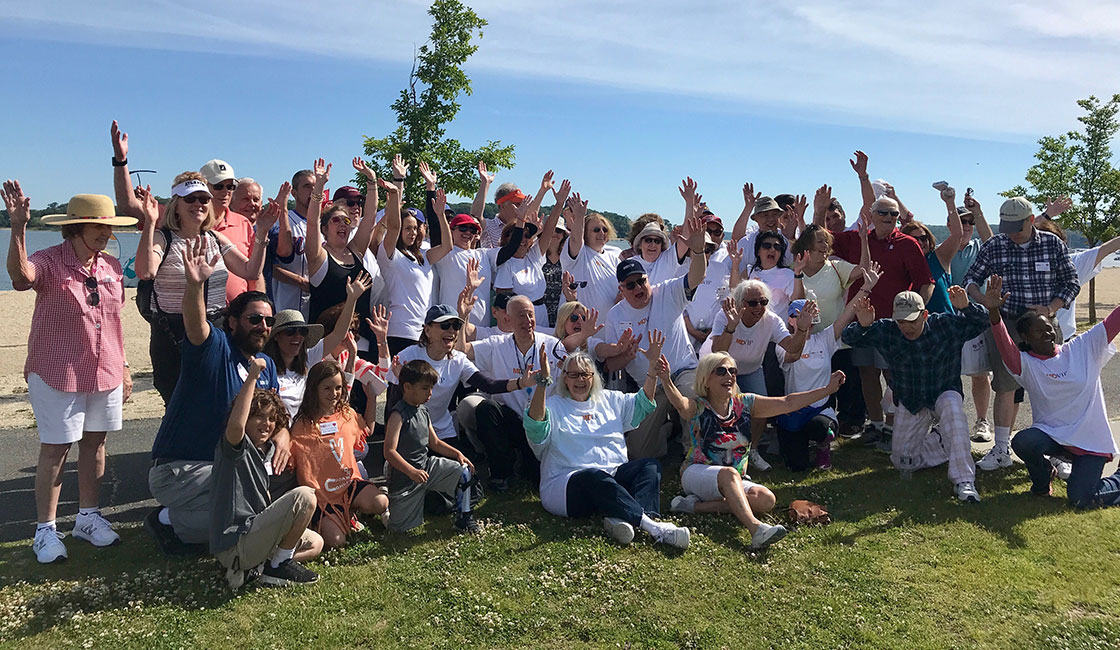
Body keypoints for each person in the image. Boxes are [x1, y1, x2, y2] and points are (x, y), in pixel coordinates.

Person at [4, 183, 135, 564]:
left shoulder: (109, 265)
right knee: (56, 449)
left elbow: (115, 322)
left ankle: (88, 518)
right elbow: (21, 276)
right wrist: (17, 228)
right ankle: (45, 530)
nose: (107, 233)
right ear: (75, 227)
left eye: (109, 227)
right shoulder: (49, 260)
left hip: (106, 369)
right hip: (56, 371)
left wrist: (125, 367)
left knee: (95, 444)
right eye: (99, 226)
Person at [146, 237, 282, 556]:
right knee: (250, 506)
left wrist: (285, 437)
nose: (263, 326)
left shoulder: (268, 365)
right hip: (179, 470)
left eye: (269, 321)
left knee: (264, 494)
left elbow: (275, 418)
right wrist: (194, 287)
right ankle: (174, 522)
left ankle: (171, 520)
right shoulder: (216, 348)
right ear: (233, 321)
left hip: (222, 469)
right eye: (254, 319)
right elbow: (196, 327)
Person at [659, 350, 845, 549]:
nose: (729, 376)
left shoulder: (745, 403)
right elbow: (680, 404)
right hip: (696, 472)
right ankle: (756, 529)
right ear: (706, 379)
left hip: (733, 479)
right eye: (721, 371)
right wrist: (665, 379)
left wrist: (827, 390)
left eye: (733, 371)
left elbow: (788, 402)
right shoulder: (699, 406)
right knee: (729, 474)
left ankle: (692, 506)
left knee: (766, 500)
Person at [523, 339, 691, 549]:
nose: (580, 379)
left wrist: (652, 369)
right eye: (573, 374)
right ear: (565, 379)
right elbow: (536, 427)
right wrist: (542, 381)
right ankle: (654, 528)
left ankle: (623, 517)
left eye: (585, 374)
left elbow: (642, 404)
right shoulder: (554, 406)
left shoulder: (610, 400)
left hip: (611, 477)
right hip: (567, 486)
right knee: (594, 475)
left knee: (649, 466)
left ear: (594, 377)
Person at [134, 175, 277, 403]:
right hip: (173, 333)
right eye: (190, 199)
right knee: (178, 407)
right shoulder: (164, 238)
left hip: (215, 328)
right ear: (176, 205)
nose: (198, 205)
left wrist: (261, 234)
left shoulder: (215, 238)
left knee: (217, 402)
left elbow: (250, 270)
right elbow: (146, 271)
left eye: (203, 199)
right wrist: (150, 223)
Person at [825, 151, 934, 450]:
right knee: (866, 375)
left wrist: (917, 311)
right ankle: (875, 426)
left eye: (893, 214)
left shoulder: (908, 244)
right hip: (861, 323)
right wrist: (820, 207)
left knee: (894, 376)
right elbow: (820, 238)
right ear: (871, 216)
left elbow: (926, 282)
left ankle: (895, 427)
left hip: (893, 323)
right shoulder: (856, 240)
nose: (888, 218)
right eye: (882, 213)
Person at [980, 275, 1120, 508]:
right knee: (1023, 441)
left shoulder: (1082, 348)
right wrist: (994, 313)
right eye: (1038, 332)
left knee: (1081, 499)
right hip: (1053, 437)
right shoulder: (1024, 364)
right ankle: (1043, 481)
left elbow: (1114, 321)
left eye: (1049, 329)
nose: (1047, 334)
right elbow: (1004, 343)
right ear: (1024, 337)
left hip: (1090, 441)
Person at [841, 287, 990, 502]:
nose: (906, 327)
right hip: (910, 399)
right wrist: (863, 326)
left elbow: (984, 321)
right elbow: (849, 338)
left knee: (953, 411)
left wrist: (966, 307)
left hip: (943, 390)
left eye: (912, 320)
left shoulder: (945, 324)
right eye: (901, 321)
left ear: (925, 314)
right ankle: (942, 441)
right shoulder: (888, 330)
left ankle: (964, 481)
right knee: (903, 462)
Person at [964, 196, 1079, 471]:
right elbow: (970, 280)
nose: (1012, 233)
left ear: (1031, 221)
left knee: (1051, 386)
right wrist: (984, 300)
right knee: (1005, 385)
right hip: (1007, 324)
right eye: (1008, 227)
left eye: (1018, 227)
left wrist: (1052, 307)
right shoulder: (995, 245)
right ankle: (1002, 449)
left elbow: (1071, 281)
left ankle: (1058, 452)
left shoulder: (1052, 244)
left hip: (1043, 325)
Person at [593, 210, 709, 460]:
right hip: (649, 383)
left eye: (641, 281)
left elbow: (696, 277)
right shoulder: (614, 316)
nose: (638, 288)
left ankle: (696, 457)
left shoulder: (667, 292)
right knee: (637, 453)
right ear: (621, 289)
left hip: (682, 372)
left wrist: (697, 251)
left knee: (694, 400)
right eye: (630, 285)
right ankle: (667, 432)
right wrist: (625, 354)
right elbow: (611, 364)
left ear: (649, 279)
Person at [210, 358, 323, 589]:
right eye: (259, 416)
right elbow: (236, 426)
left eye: (272, 419)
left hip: (256, 536)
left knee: (316, 543)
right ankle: (276, 566)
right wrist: (252, 376)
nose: (267, 423)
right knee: (306, 496)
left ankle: (259, 569)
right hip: (236, 543)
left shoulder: (266, 451)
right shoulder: (234, 448)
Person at [457, 295, 574, 490]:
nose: (527, 321)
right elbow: (462, 351)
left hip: (540, 424)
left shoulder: (553, 345)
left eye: (530, 315)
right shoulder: (496, 344)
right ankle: (501, 473)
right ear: (508, 320)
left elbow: (569, 381)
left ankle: (527, 463)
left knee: (535, 476)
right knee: (486, 408)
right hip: (510, 419)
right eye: (521, 316)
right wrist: (463, 316)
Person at [708, 279, 810, 470]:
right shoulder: (725, 316)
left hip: (752, 369)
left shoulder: (771, 320)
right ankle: (719, 452)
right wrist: (731, 326)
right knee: (722, 412)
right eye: (752, 303)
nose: (759, 307)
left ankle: (751, 451)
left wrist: (802, 329)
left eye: (763, 302)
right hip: (721, 370)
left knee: (761, 409)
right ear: (740, 303)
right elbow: (717, 351)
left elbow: (792, 349)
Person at [289, 360, 389, 549]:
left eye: (338, 388)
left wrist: (372, 399)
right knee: (336, 542)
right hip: (323, 497)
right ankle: (328, 519)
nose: (333, 393)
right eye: (327, 388)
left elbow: (367, 428)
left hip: (348, 485)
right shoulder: (302, 425)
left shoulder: (346, 414)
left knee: (380, 502)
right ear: (313, 389)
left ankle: (349, 511)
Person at [790, 221, 868, 436]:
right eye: (820, 241)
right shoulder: (795, 270)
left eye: (827, 241)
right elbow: (793, 302)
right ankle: (820, 426)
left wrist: (863, 240)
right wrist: (797, 274)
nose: (825, 245)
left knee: (846, 381)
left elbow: (864, 271)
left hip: (837, 338)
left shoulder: (835, 266)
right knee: (818, 385)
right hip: (808, 341)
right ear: (807, 247)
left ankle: (848, 423)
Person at [264, 273, 379, 419]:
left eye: (302, 331)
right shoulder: (266, 367)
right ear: (276, 337)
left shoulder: (308, 356)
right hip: (280, 435)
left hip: (307, 434)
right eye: (290, 331)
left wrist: (352, 299)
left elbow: (338, 334)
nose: (297, 337)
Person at [384, 359, 480, 533]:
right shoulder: (398, 414)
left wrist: (457, 454)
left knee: (464, 472)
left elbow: (434, 442)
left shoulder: (423, 410)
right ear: (407, 387)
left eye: (431, 388)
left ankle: (464, 518)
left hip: (427, 468)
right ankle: (387, 507)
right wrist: (411, 472)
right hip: (405, 478)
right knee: (400, 531)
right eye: (424, 388)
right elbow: (389, 451)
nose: (430, 394)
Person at [302, 158, 381, 358]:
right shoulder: (319, 256)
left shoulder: (356, 251)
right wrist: (319, 186)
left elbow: (370, 217)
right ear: (325, 229)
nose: (343, 224)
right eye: (336, 220)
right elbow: (311, 223)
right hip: (326, 346)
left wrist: (371, 181)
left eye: (346, 221)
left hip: (358, 342)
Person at [949, 192, 996, 443]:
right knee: (948, 374)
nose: (966, 226)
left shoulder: (981, 247)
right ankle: (946, 422)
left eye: (969, 223)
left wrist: (978, 212)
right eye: (961, 221)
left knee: (979, 374)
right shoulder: (943, 249)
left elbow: (991, 239)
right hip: (950, 320)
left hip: (977, 318)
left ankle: (981, 421)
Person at [493, 173, 569, 324]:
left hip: (541, 313)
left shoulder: (534, 255)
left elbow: (549, 229)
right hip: (519, 316)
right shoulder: (505, 265)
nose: (523, 240)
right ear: (507, 238)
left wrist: (559, 203)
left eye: (527, 236)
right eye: (518, 236)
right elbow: (503, 300)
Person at [378, 167, 434, 355]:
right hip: (400, 331)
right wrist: (395, 193)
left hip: (423, 332)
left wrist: (439, 212)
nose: (412, 232)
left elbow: (447, 247)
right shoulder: (391, 254)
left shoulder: (422, 255)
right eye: (407, 228)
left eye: (415, 228)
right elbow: (393, 227)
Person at [200, 159, 262, 301]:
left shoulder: (243, 223)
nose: (225, 192)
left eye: (230, 186)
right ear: (203, 186)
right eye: (218, 186)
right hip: (198, 312)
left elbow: (254, 273)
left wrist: (257, 305)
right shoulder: (189, 222)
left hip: (237, 312)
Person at [898, 186, 964, 315]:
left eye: (924, 238)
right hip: (912, 327)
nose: (920, 242)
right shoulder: (901, 263)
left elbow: (957, 234)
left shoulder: (939, 257)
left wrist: (950, 203)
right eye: (914, 239)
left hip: (944, 325)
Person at [561, 196, 623, 317]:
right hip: (579, 328)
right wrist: (579, 217)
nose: (601, 233)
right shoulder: (578, 254)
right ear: (585, 233)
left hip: (607, 328)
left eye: (604, 229)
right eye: (595, 229)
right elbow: (575, 238)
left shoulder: (614, 259)